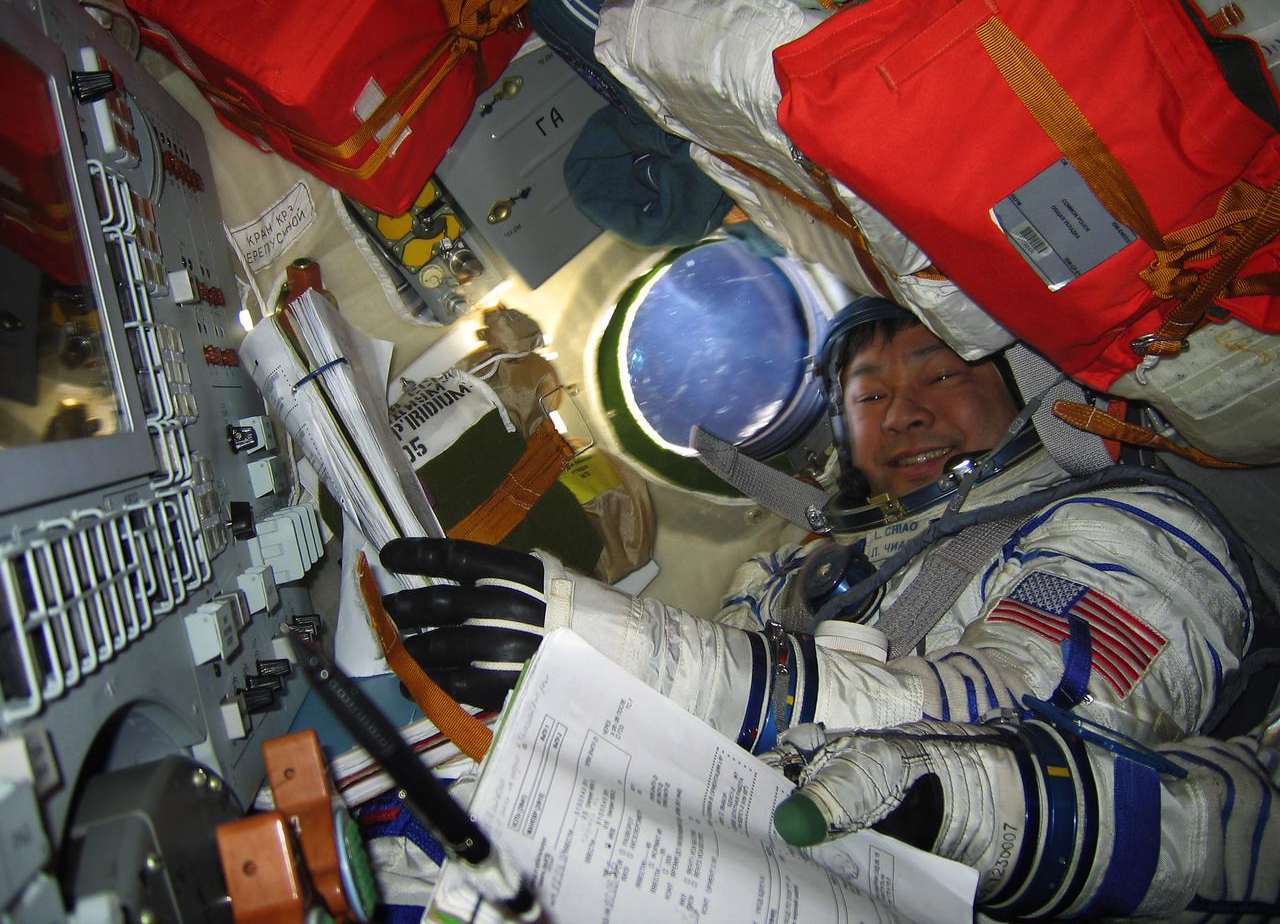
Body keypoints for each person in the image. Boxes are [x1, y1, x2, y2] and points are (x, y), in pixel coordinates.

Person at [379, 297, 1280, 919]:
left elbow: (1023, 705)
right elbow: (666, 722)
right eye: (872, 397)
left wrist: (621, 644)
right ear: (845, 438)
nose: (906, 414)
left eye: (941, 373)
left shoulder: (1131, 527)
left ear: (1026, 387)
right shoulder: (793, 575)